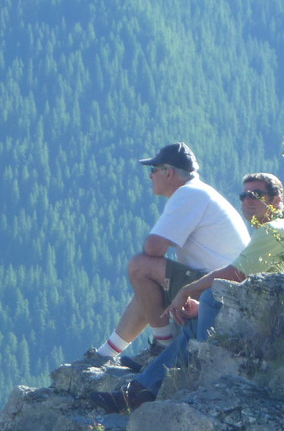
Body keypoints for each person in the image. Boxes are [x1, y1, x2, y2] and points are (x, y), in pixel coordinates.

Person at [90, 172, 284, 413]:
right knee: (198, 317)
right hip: (265, 311)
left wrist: (187, 290)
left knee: (209, 298)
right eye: (244, 196)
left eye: (257, 195)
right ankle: (138, 393)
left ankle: (201, 370)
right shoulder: (274, 229)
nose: (248, 201)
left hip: (274, 321)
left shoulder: (274, 230)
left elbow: (236, 274)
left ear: (277, 199)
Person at [92, 143, 250, 359]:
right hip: (226, 283)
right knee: (149, 290)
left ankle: (163, 344)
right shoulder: (199, 192)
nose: (150, 177)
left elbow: (153, 248)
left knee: (141, 266)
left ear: (169, 172)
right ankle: (106, 354)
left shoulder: (188, 193)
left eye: (153, 170)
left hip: (217, 285)